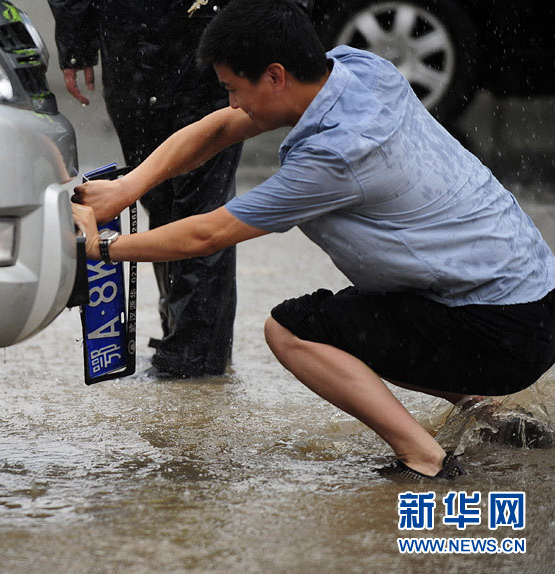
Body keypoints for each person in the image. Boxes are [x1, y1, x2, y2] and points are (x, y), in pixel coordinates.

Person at [71, 0, 555, 479]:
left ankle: (424, 458)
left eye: (234, 89)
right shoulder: (359, 67)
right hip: (534, 299)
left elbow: (208, 233)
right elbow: (219, 128)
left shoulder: (336, 156)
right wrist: (127, 188)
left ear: (276, 76)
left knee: (293, 330)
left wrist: (102, 249)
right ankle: (488, 410)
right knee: (368, 315)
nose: (233, 103)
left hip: (501, 330)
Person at [47, 0, 243, 377]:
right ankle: (191, 346)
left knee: (189, 201)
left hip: (162, 41)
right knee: (169, 200)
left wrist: (77, 40)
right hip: (155, 41)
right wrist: (76, 40)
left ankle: (191, 351)